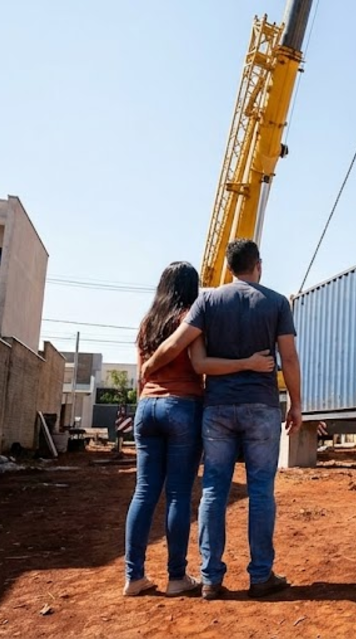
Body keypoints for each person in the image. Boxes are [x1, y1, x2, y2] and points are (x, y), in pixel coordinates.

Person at [142, 239, 302, 601]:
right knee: (261, 491)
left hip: (217, 410)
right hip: (261, 407)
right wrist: (296, 404)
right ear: (258, 264)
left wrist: (148, 368)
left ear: (229, 266)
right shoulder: (277, 302)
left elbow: (176, 344)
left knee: (213, 490)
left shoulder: (208, 301)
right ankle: (261, 576)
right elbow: (289, 359)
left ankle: (211, 578)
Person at [124, 261, 274, 597]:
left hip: (146, 409)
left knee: (144, 491)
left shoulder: (146, 324)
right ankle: (177, 577)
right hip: (182, 407)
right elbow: (199, 364)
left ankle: (134, 576)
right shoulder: (189, 319)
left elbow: (141, 376)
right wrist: (247, 363)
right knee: (178, 493)